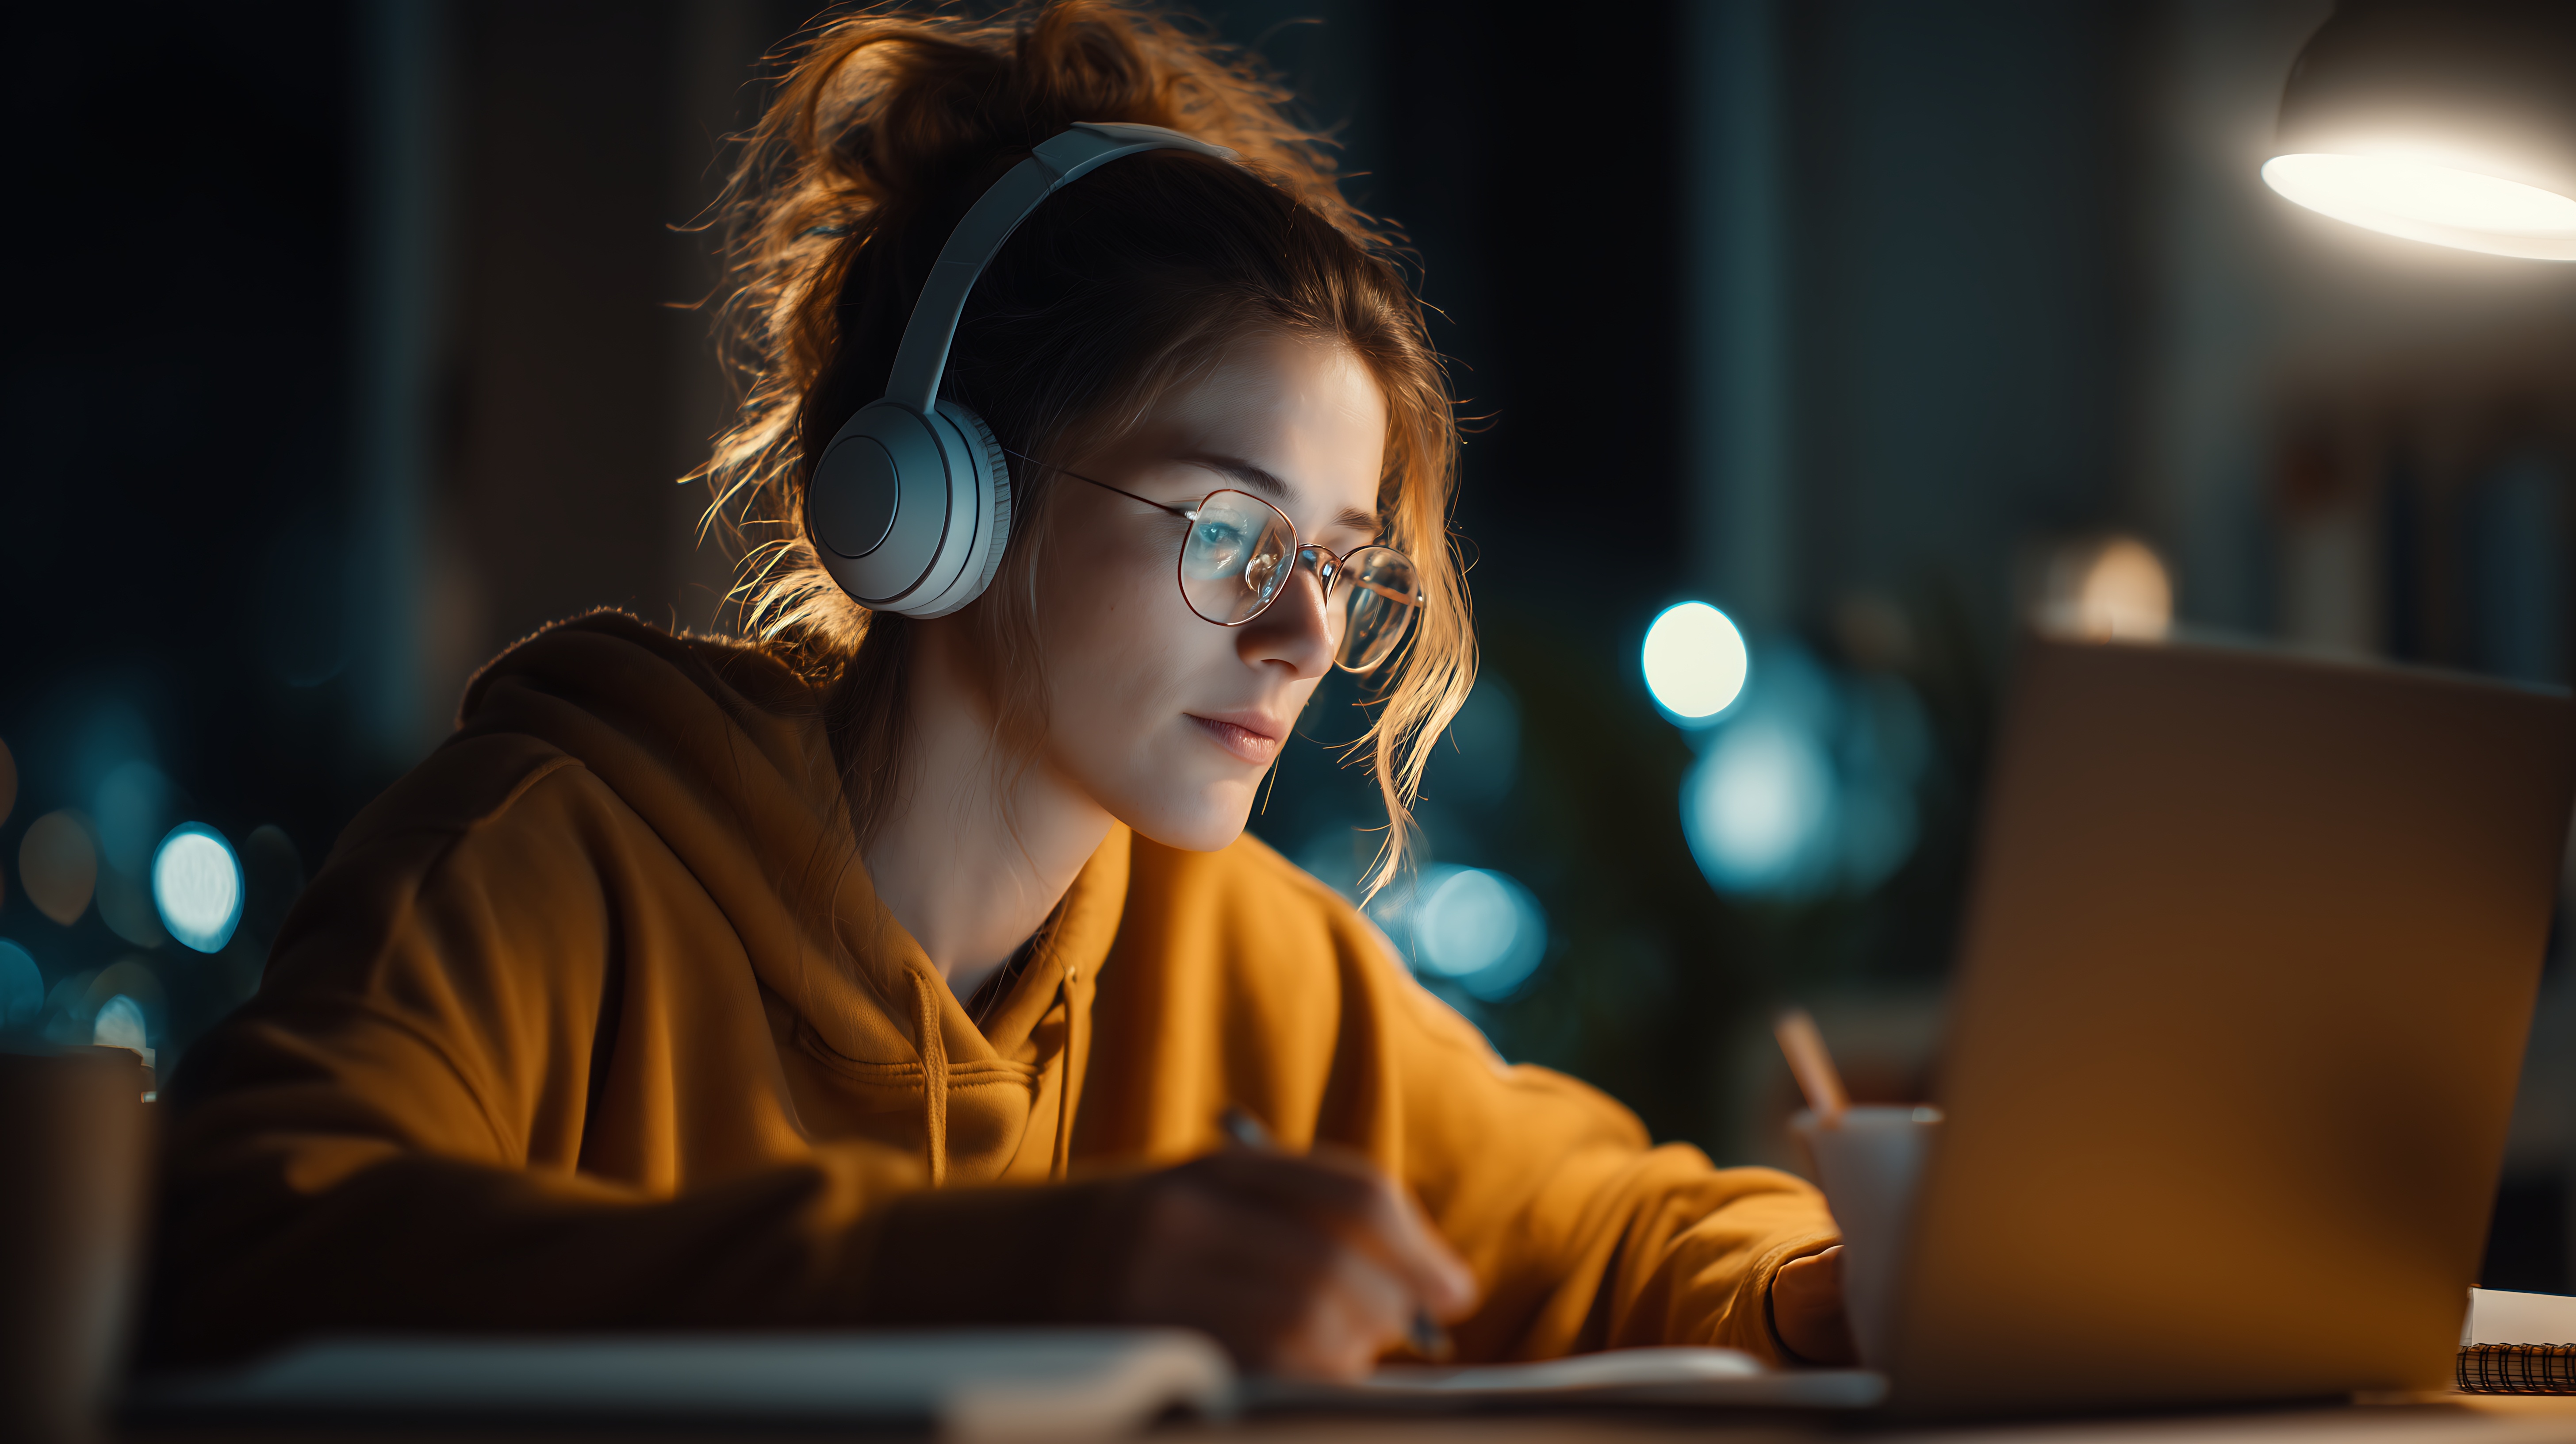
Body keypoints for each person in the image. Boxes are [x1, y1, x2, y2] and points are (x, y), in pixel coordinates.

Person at [147, 0, 1850, 1379]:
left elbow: (1595, 1224)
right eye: (1231, 530)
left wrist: (1828, 1285)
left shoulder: (1242, 953)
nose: (1307, 637)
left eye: (1336, 561)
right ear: (942, 495)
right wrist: (1021, 1271)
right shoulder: (550, 860)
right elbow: (234, 1242)